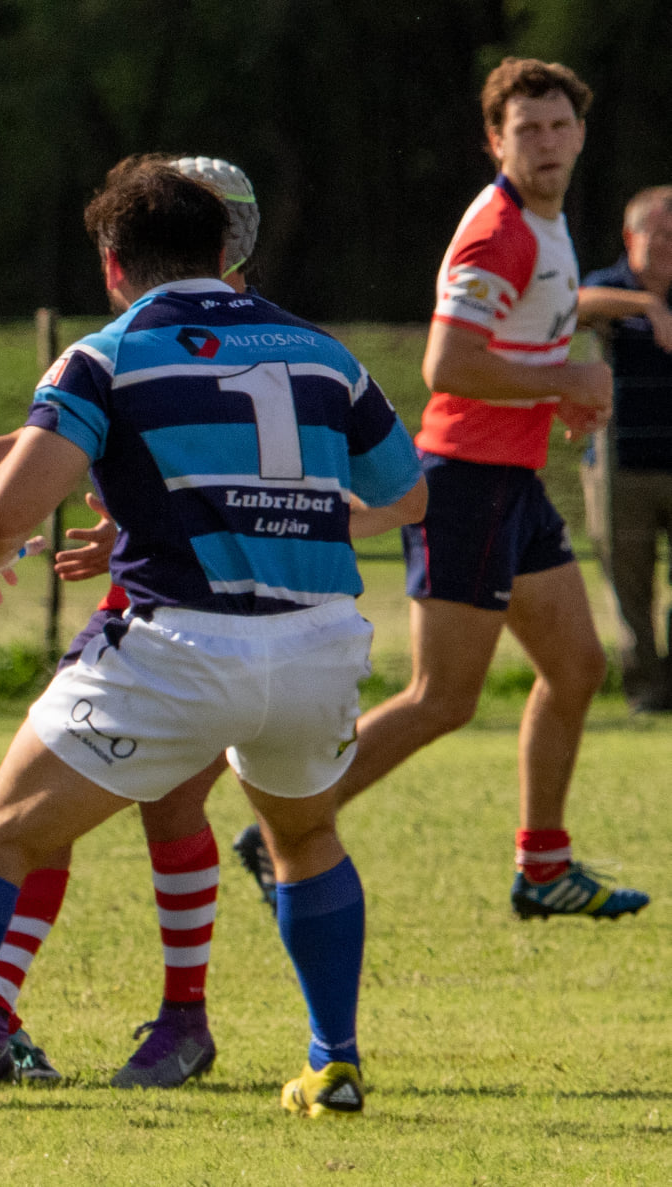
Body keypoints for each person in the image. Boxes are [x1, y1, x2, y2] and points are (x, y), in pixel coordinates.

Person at [0, 155, 426, 1124]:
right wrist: (298, 526)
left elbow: (9, 501)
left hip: (177, 649)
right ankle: (333, 1060)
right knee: (306, 836)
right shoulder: (327, 354)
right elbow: (405, 494)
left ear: (114, 265)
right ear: (221, 252)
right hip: (320, 645)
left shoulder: (109, 353)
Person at [233, 59, 650, 921]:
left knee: (574, 668)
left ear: (579, 133)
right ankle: (283, 827)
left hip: (511, 481)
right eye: (526, 128)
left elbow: (528, 333)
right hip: (465, 480)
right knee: (442, 697)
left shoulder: (548, 221)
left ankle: (543, 868)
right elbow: (447, 364)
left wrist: (561, 387)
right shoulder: (498, 228)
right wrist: (562, 379)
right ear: (494, 139)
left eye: (558, 125)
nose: (545, 141)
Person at [0, 156, 258, 1092]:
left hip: (212, 619)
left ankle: (180, 1019)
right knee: (31, 816)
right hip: (147, 614)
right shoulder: (154, 338)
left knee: (147, 808)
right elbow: (30, 455)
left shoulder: (229, 340)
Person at [578, 186, 672, 711]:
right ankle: (648, 694)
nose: (666, 246)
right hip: (620, 470)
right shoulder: (608, 285)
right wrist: (646, 305)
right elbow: (571, 305)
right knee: (631, 591)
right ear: (629, 237)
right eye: (657, 234)